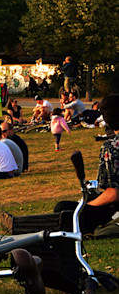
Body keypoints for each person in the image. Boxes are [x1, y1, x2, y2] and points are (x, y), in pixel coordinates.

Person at [53, 93, 119, 234]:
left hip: (115, 210)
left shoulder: (112, 146)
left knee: (63, 209)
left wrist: (85, 206)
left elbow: (114, 195)